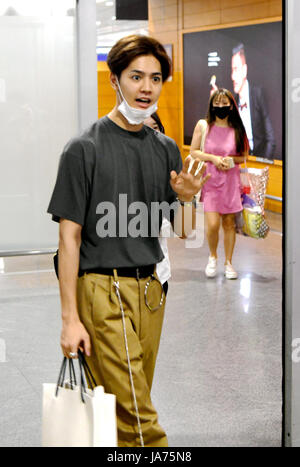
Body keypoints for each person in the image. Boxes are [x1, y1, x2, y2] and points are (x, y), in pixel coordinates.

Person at [47, 34, 208, 447]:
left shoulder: (166, 149)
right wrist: (69, 319)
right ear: (115, 78)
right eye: (136, 76)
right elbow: (69, 239)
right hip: (103, 289)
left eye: (155, 78)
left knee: (126, 408)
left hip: (152, 291)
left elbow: (185, 231)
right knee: (141, 420)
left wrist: (189, 199)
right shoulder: (83, 149)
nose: (146, 88)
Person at [190, 88, 249, 279]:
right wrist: (213, 159)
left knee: (229, 223)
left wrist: (230, 160)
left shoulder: (238, 128)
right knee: (213, 224)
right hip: (211, 180)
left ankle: (229, 263)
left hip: (231, 182)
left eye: (225, 103)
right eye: (217, 103)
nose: (221, 107)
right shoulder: (203, 126)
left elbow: (244, 156)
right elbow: (194, 152)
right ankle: (213, 256)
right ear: (211, 105)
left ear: (231, 105)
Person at [231, 43, 275, 160]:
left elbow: (271, 139)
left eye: (236, 70)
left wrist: (263, 163)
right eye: (232, 71)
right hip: (240, 162)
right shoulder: (232, 101)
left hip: (258, 160)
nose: (232, 77)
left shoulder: (257, 94)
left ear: (244, 70)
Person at [143, 112, 170, 296]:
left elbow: (180, 228)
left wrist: (186, 197)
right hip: (122, 276)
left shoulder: (168, 168)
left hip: (158, 273)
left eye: (155, 128)